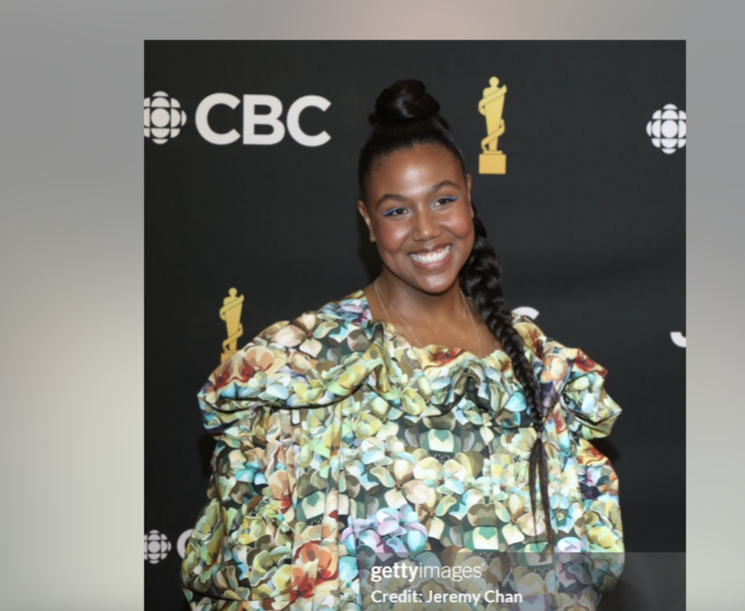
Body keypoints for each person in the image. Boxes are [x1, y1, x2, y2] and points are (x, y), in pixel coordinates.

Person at [180, 79, 624, 610]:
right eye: (397, 211)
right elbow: (258, 568)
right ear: (367, 221)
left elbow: (575, 568)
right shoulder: (305, 364)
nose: (426, 230)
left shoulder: (540, 367)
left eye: (443, 200)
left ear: (469, 195)